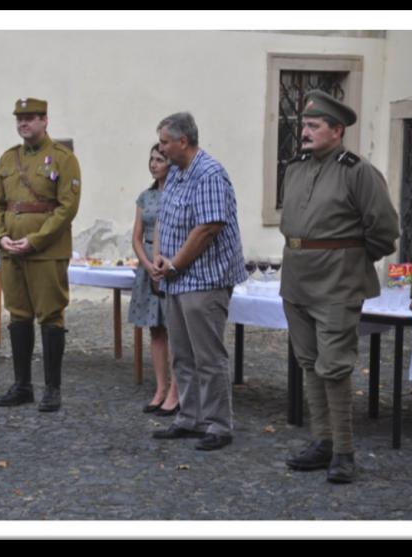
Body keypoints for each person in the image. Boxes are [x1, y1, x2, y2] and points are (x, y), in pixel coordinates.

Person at [280, 90, 399, 483]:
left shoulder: (357, 171)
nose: (305, 133)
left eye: (314, 126)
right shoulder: (295, 167)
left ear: (337, 130)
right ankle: (322, 442)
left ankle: (344, 451)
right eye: (303, 126)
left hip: (337, 282)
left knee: (335, 366)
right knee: (310, 363)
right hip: (296, 280)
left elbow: (384, 231)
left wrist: (350, 263)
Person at [150, 112, 248, 451]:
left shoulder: (208, 174)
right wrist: (161, 259)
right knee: (182, 354)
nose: (160, 148)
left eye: (164, 141)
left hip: (205, 279)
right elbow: (165, 218)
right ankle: (189, 417)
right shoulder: (176, 172)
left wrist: (174, 264)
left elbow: (208, 228)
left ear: (182, 141)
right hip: (177, 278)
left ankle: (219, 425)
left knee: (207, 356)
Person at [0, 98, 81, 412]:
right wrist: (0, 237)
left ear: (45, 121)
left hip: (46, 252)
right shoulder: (8, 158)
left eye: (30, 118)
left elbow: (67, 208)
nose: (23, 124)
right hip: (12, 250)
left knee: (51, 315)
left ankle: (52, 389)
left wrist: (36, 240)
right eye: (20, 119)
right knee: (18, 315)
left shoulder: (62, 158)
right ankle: (22, 385)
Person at [129, 145, 179, 415]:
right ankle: (160, 388)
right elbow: (136, 236)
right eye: (151, 159)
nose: (154, 164)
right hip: (148, 262)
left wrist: (163, 265)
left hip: (171, 263)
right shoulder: (145, 197)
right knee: (155, 330)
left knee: (175, 329)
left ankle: (177, 389)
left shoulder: (177, 194)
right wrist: (147, 265)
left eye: (160, 159)